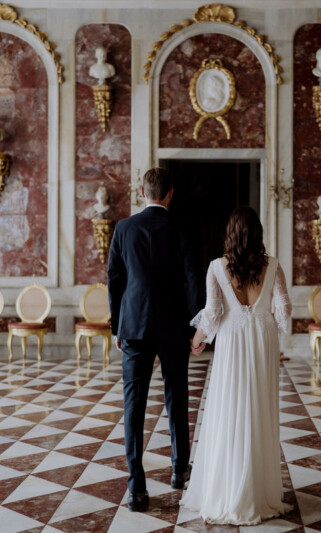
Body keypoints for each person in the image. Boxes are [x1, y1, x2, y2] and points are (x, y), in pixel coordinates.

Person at [180, 206, 293, 525]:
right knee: (259, 407)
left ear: (230, 234)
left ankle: (228, 489)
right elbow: (284, 312)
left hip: (231, 339)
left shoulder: (217, 267)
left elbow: (213, 313)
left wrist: (197, 339)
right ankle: (258, 490)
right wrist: (270, 320)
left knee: (229, 407)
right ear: (258, 234)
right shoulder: (274, 266)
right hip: (263, 337)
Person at [107, 167, 205, 512]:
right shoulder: (181, 228)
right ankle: (179, 471)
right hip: (175, 326)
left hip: (133, 326)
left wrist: (116, 325)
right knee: (177, 399)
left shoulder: (124, 228)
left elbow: (114, 279)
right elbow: (196, 278)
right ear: (170, 194)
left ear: (142, 193)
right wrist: (198, 327)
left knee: (133, 406)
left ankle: (136, 487)